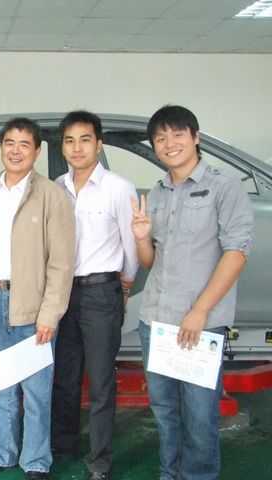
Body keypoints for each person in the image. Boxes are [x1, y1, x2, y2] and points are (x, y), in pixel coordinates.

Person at [132, 105, 254, 480]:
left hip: (199, 325)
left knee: (200, 417)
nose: (169, 143)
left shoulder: (224, 187)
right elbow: (151, 261)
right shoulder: (157, 192)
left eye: (177, 134)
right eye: (160, 138)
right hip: (156, 322)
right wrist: (141, 239)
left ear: (196, 137)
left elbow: (236, 253)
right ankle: (169, 474)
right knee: (165, 412)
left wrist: (200, 310)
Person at [0, 117, 76, 480]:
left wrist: (51, 313)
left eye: (24, 144)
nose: (15, 151)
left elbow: (61, 262)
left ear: (37, 151)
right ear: (1, 147)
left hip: (32, 303)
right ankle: (1, 453)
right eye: (9, 143)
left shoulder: (50, 195)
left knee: (36, 388)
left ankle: (36, 461)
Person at [52, 110, 139, 480]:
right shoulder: (57, 186)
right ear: (62, 147)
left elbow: (131, 244)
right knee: (65, 375)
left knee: (101, 381)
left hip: (102, 292)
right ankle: (63, 446)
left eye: (85, 139)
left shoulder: (119, 187)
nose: (77, 148)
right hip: (63, 294)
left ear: (99, 144)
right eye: (70, 141)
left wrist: (125, 284)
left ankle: (99, 460)